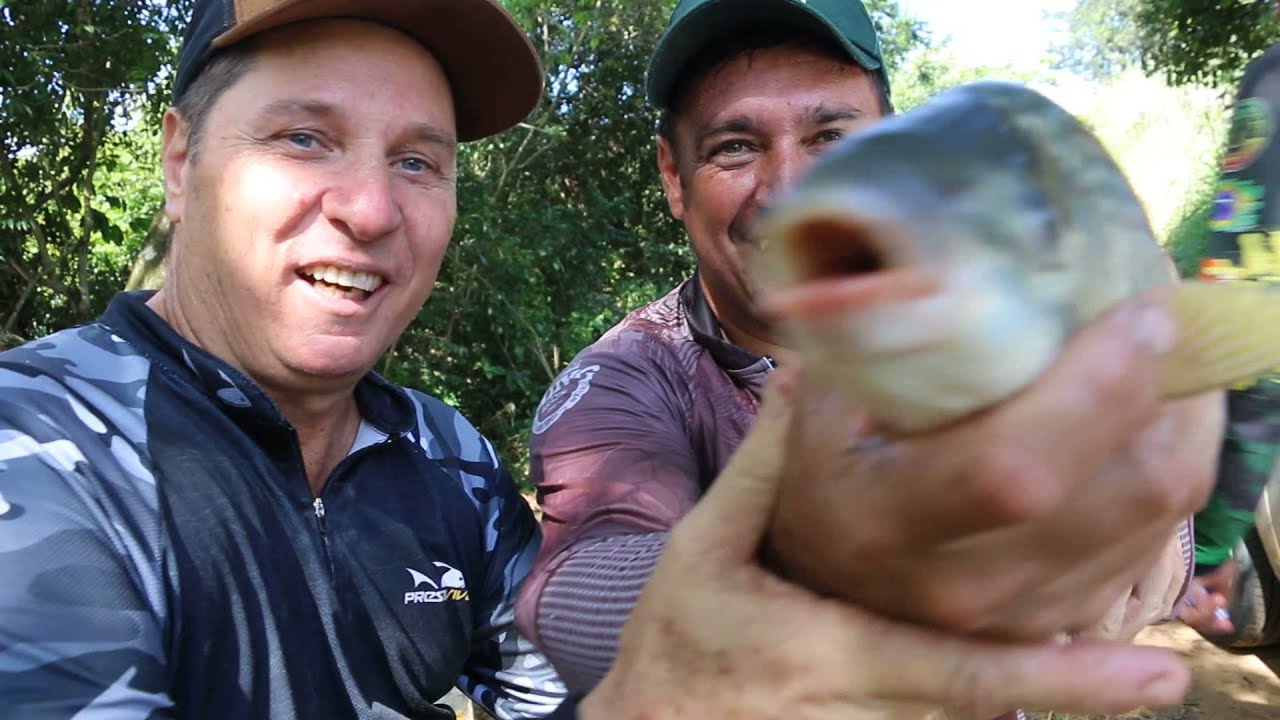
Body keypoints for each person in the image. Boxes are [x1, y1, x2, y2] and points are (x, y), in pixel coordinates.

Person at [0, 1, 1199, 719]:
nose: (366, 207)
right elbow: (586, 595)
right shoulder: (36, 450)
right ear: (176, 158)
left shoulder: (442, 462)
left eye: (417, 160)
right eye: (304, 138)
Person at [515, 0, 1219, 714]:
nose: (789, 189)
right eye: (734, 146)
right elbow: (575, 591)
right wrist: (813, 555)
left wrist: (1153, 522)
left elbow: (1146, 457)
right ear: (673, 177)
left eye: (831, 135)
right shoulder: (629, 374)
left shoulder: (989, 300)